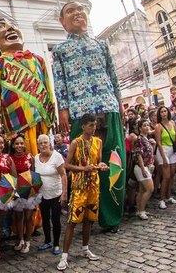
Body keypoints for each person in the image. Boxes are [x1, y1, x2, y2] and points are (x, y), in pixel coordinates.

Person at [52, 1, 125, 232]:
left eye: (80, 9)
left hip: (108, 107)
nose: (77, 13)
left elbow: (113, 76)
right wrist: (62, 109)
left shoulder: (101, 44)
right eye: (70, 11)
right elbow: (59, 82)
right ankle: (85, 213)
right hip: (79, 112)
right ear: (62, 21)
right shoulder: (60, 50)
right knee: (82, 165)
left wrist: (120, 103)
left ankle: (111, 217)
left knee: (113, 162)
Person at [0, 18, 55, 155]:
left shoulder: (38, 59)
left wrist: (53, 112)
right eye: (1, 26)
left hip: (42, 117)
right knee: (24, 158)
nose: (10, 27)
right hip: (17, 121)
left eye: (13, 25)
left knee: (46, 156)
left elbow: (48, 87)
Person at [57, 114, 108, 271]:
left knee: (89, 219)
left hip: (93, 185)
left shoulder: (98, 142)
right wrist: (83, 169)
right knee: (72, 221)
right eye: (91, 125)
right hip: (79, 187)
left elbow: (97, 162)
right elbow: (66, 165)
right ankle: (64, 256)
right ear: (83, 126)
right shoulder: (75, 143)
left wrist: (101, 165)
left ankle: (86, 249)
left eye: (95, 125)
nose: (94, 128)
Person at [34, 134, 67, 255]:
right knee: (45, 218)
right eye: (40, 143)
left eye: (45, 142)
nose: (43, 145)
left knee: (55, 219)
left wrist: (64, 193)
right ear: (38, 145)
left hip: (56, 193)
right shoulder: (36, 158)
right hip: (42, 194)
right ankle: (48, 240)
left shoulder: (57, 157)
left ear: (50, 144)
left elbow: (63, 175)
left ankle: (57, 244)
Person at [154, 105, 176, 209]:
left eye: (165, 111)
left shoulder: (172, 123)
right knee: (166, 177)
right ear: (159, 114)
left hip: (172, 150)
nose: (164, 113)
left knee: (171, 176)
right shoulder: (158, 126)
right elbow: (158, 142)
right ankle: (161, 199)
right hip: (163, 150)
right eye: (161, 112)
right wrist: (163, 157)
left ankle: (168, 196)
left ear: (168, 112)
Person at [10, 135, 35, 253]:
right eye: (17, 144)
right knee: (18, 217)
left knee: (28, 217)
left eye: (21, 143)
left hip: (28, 190)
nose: (19, 146)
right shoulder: (10, 159)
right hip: (16, 190)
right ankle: (20, 239)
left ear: (24, 144)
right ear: (13, 145)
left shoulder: (30, 157)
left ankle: (28, 241)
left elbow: (34, 173)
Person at [128, 119, 155, 219]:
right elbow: (138, 155)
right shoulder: (139, 139)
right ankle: (142, 210)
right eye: (144, 126)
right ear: (140, 128)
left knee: (142, 190)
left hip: (147, 166)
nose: (147, 127)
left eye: (148, 125)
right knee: (150, 188)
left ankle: (139, 209)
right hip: (140, 167)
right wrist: (143, 169)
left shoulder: (146, 139)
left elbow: (149, 153)